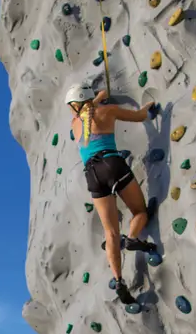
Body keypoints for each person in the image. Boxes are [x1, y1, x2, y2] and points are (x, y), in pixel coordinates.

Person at [66, 84, 156, 306]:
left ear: (74, 107)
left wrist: (97, 98)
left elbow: (86, 114)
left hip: (92, 174)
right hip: (112, 163)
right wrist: (147, 108)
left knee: (111, 233)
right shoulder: (109, 111)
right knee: (139, 212)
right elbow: (140, 116)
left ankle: (119, 281)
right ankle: (132, 238)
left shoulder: (75, 124)